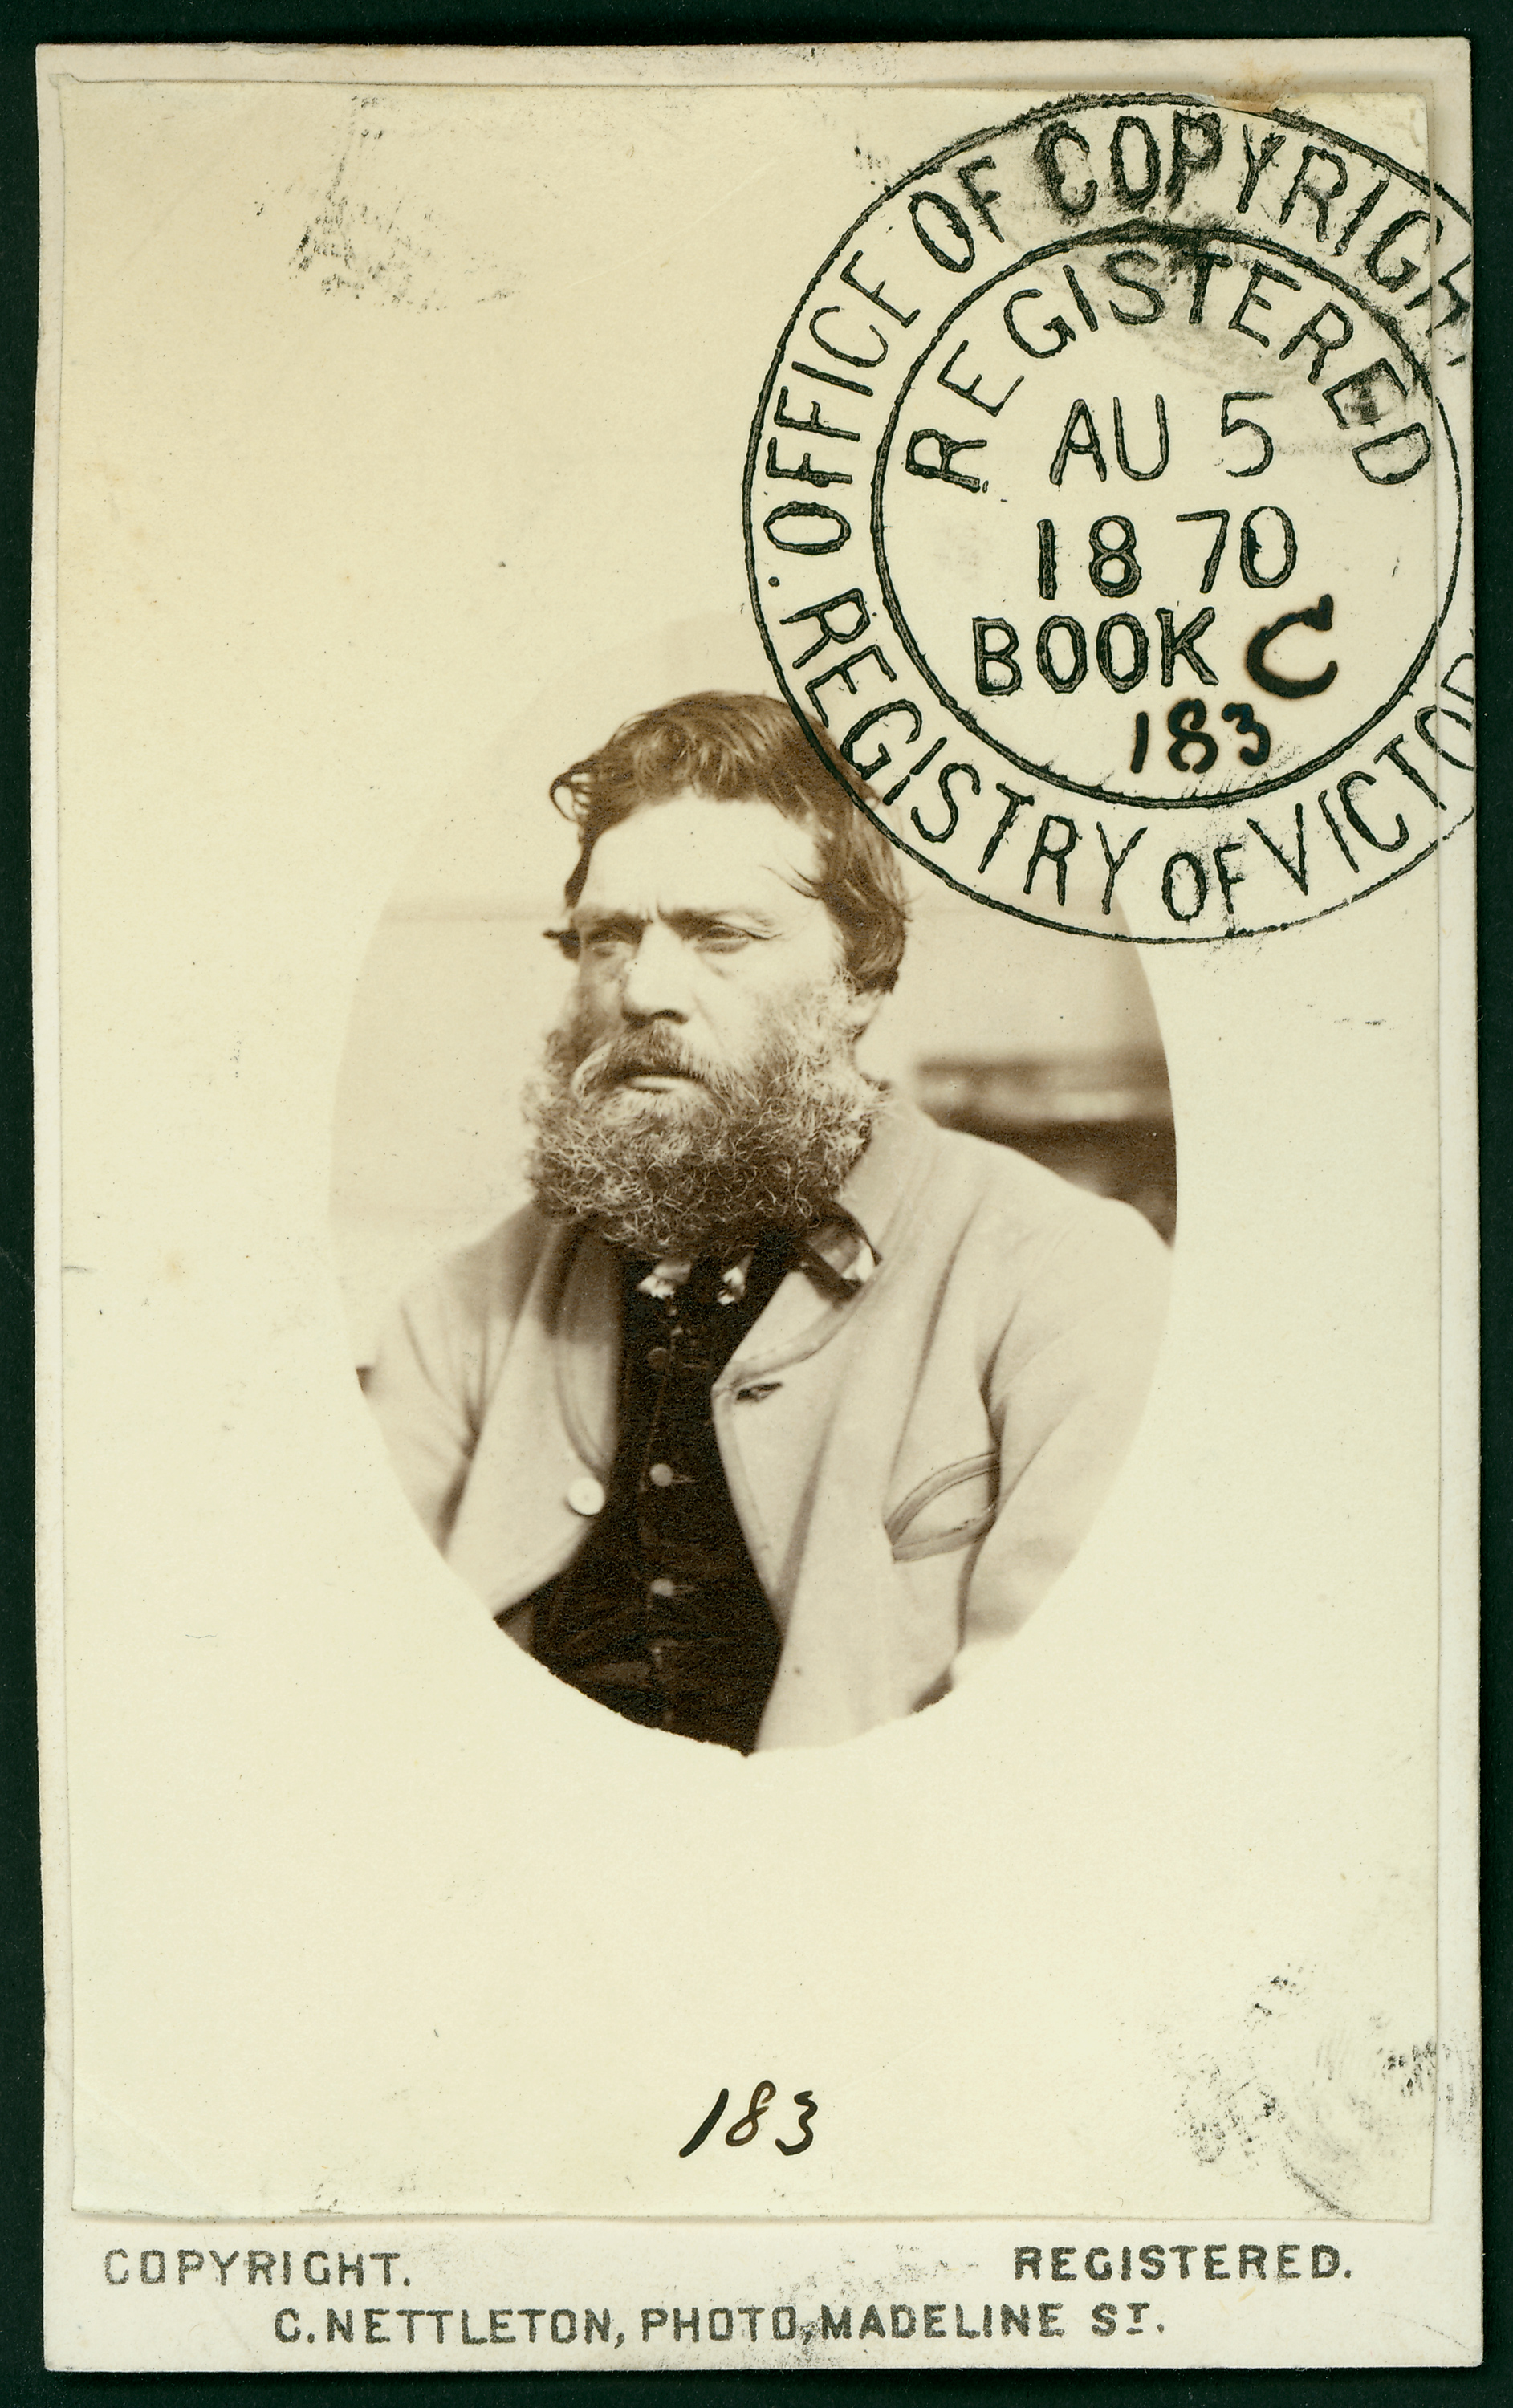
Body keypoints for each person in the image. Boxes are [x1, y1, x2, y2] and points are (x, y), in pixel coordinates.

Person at [366, 692, 1169, 1753]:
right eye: (609, 939)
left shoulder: (1067, 1282)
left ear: (861, 980)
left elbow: (1045, 1749)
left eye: (721, 937)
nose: (644, 990)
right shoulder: (466, 1311)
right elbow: (352, 1677)